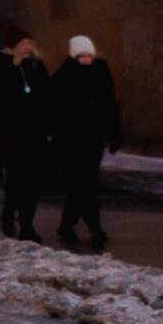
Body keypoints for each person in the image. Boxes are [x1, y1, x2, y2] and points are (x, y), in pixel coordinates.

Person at [50, 35, 122, 249]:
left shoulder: (100, 73)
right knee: (83, 185)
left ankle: (68, 224)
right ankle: (94, 227)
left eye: (89, 54)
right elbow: (54, 107)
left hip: (93, 140)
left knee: (83, 184)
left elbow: (110, 105)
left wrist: (114, 133)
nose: (87, 58)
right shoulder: (65, 75)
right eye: (82, 55)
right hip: (70, 141)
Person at [0, 25, 49, 242]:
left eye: (29, 44)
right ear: (13, 47)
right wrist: (14, 69)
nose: (27, 48)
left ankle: (27, 224)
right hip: (12, 136)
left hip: (35, 135)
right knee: (16, 180)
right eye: (22, 44)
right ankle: (8, 213)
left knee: (33, 183)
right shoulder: (1, 70)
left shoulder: (37, 67)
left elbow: (47, 96)